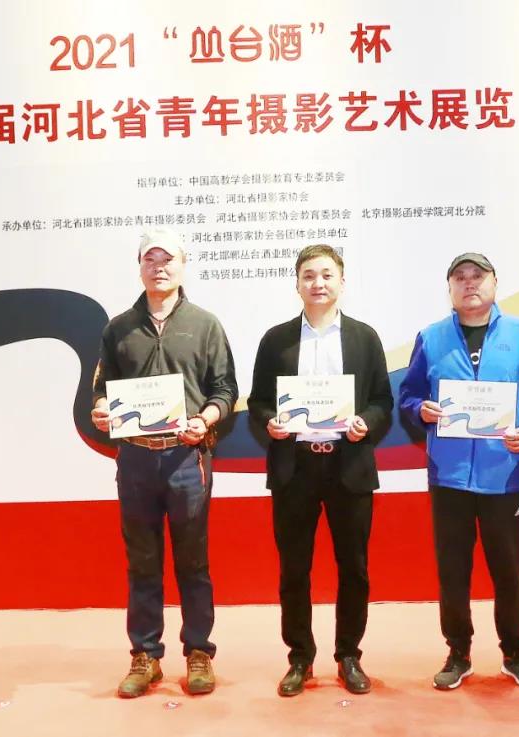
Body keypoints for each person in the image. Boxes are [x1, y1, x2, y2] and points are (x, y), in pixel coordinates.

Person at [91, 226, 238, 698]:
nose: (159, 267)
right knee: (142, 561)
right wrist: (100, 409)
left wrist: (206, 418)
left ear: (183, 265)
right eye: (150, 259)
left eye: (168, 259)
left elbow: (225, 390)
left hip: (186, 459)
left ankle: (198, 652)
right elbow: (101, 390)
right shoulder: (118, 328)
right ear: (140, 268)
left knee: (193, 560)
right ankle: (145, 655)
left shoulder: (206, 325)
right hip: (135, 460)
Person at [399, 252, 519, 691]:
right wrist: (420, 410)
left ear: (494, 282)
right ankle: (458, 652)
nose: (469, 283)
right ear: (450, 288)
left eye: (478, 275)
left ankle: (514, 652)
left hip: (502, 474)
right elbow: (408, 396)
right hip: (447, 476)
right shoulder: (431, 337)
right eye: (460, 277)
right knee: (452, 569)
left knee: (508, 570)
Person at [248, 244, 393, 697]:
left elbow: (382, 401)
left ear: (342, 283)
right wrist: (269, 424)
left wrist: (365, 422)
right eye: (309, 275)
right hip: (295, 467)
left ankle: (349, 655)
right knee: (294, 569)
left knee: (354, 568)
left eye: (327, 275)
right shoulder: (276, 340)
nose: (318, 283)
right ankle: (300, 658)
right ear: (297, 284)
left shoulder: (364, 338)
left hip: (349, 466)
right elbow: (258, 403)